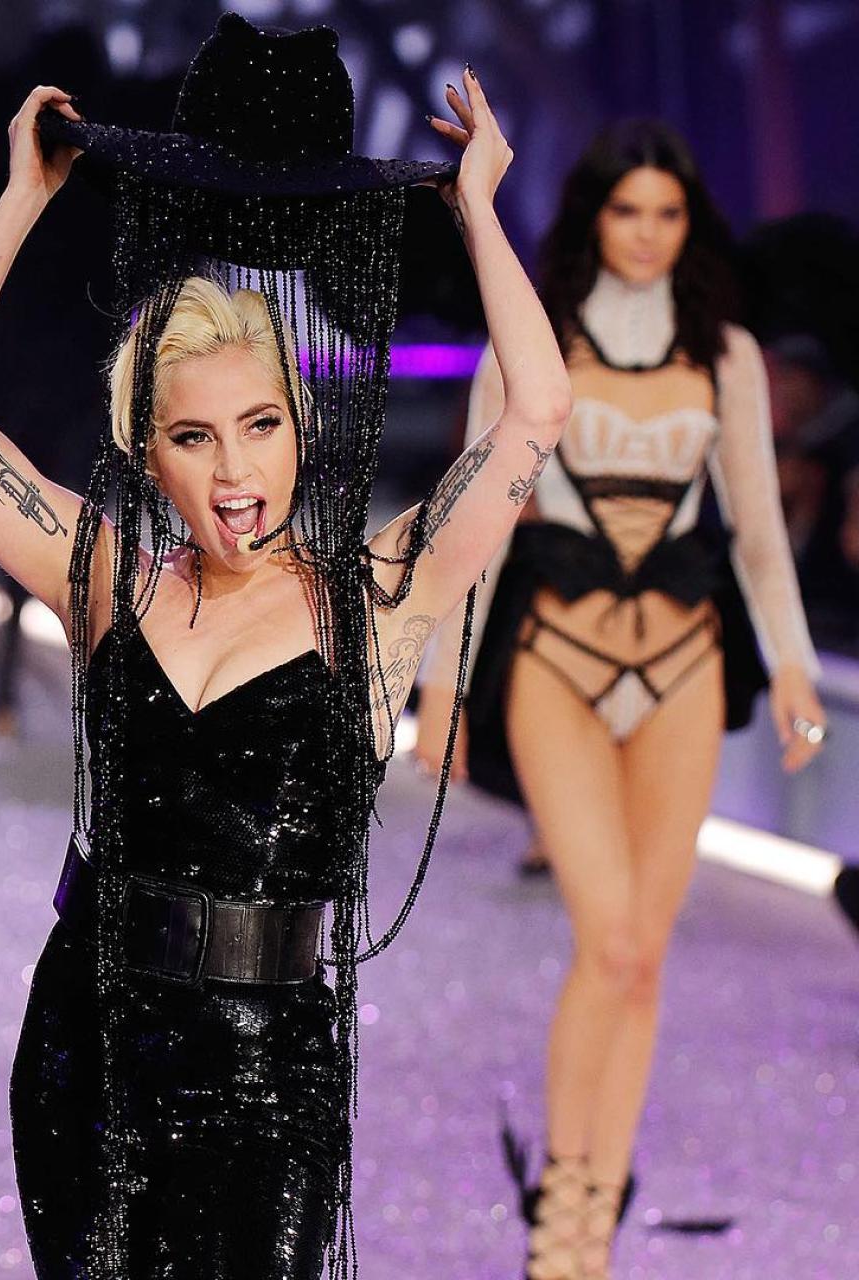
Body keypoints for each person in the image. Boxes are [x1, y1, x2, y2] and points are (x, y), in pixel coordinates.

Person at [0, 15, 569, 1278]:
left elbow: (537, 409)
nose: (234, 470)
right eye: (193, 437)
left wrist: (476, 209)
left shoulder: (376, 594)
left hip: (268, 1074)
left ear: (301, 430)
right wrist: (22, 200)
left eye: (260, 425)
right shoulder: (103, 575)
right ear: (147, 453)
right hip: (86, 1043)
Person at [417, 120, 827, 1279]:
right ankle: (561, 1194)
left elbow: (754, 531)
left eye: (666, 213)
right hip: (556, 657)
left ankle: (591, 1207)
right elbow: (473, 525)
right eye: (625, 210)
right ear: (590, 217)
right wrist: (442, 684)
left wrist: (791, 664)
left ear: (689, 225)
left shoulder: (723, 354)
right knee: (605, 934)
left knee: (639, 951)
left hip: (683, 663)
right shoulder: (530, 340)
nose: (646, 234)